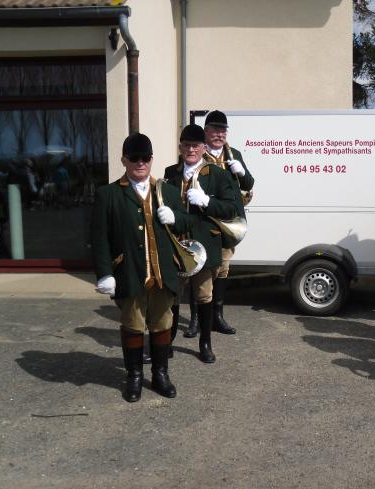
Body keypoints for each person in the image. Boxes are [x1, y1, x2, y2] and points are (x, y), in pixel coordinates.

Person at [91, 133, 190, 402]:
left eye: (145, 158)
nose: (140, 163)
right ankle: (134, 376)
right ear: (124, 160)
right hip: (130, 273)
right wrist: (105, 273)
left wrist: (175, 218)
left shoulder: (166, 191)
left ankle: (160, 374)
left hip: (163, 274)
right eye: (134, 158)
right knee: (133, 325)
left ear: (151, 160)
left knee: (162, 324)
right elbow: (99, 239)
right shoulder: (108, 194)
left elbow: (185, 223)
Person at [164, 124, 240, 363]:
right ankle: (168, 341)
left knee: (204, 295)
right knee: (172, 296)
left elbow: (231, 208)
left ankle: (205, 343)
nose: (190, 150)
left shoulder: (217, 174)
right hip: (177, 245)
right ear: (180, 147)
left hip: (204, 245)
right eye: (186, 145)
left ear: (203, 147)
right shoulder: (171, 172)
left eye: (195, 145)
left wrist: (207, 201)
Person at [202, 110, 254, 335]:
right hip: (203, 221)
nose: (219, 134)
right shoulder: (197, 152)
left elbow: (249, 183)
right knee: (202, 270)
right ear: (206, 131)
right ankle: (197, 318)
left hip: (228, 221)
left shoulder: (234, 154)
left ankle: (217, 317)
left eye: (222, 130)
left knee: (223, 269)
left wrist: (241, 172)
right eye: (214, 129)